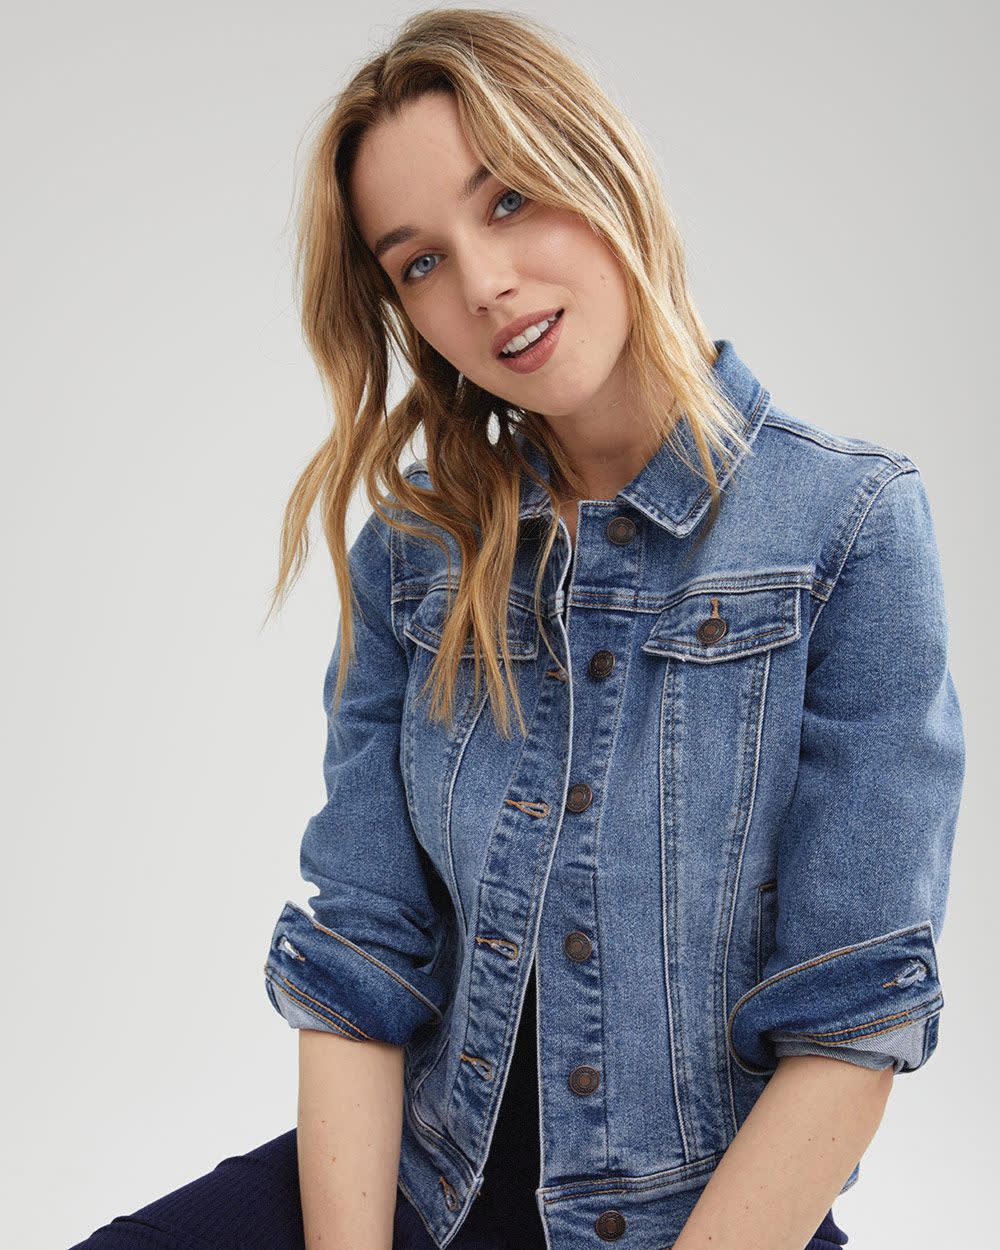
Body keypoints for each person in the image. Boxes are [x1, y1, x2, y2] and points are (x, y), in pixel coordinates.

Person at [67, 7, 966, 1250]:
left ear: (603, 170)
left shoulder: (847, 524)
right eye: (418, 262)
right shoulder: (412, 557)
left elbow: (849, 1016)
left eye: (507, 199)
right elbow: (363, 954)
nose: (482, 284)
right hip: (422, 1182)